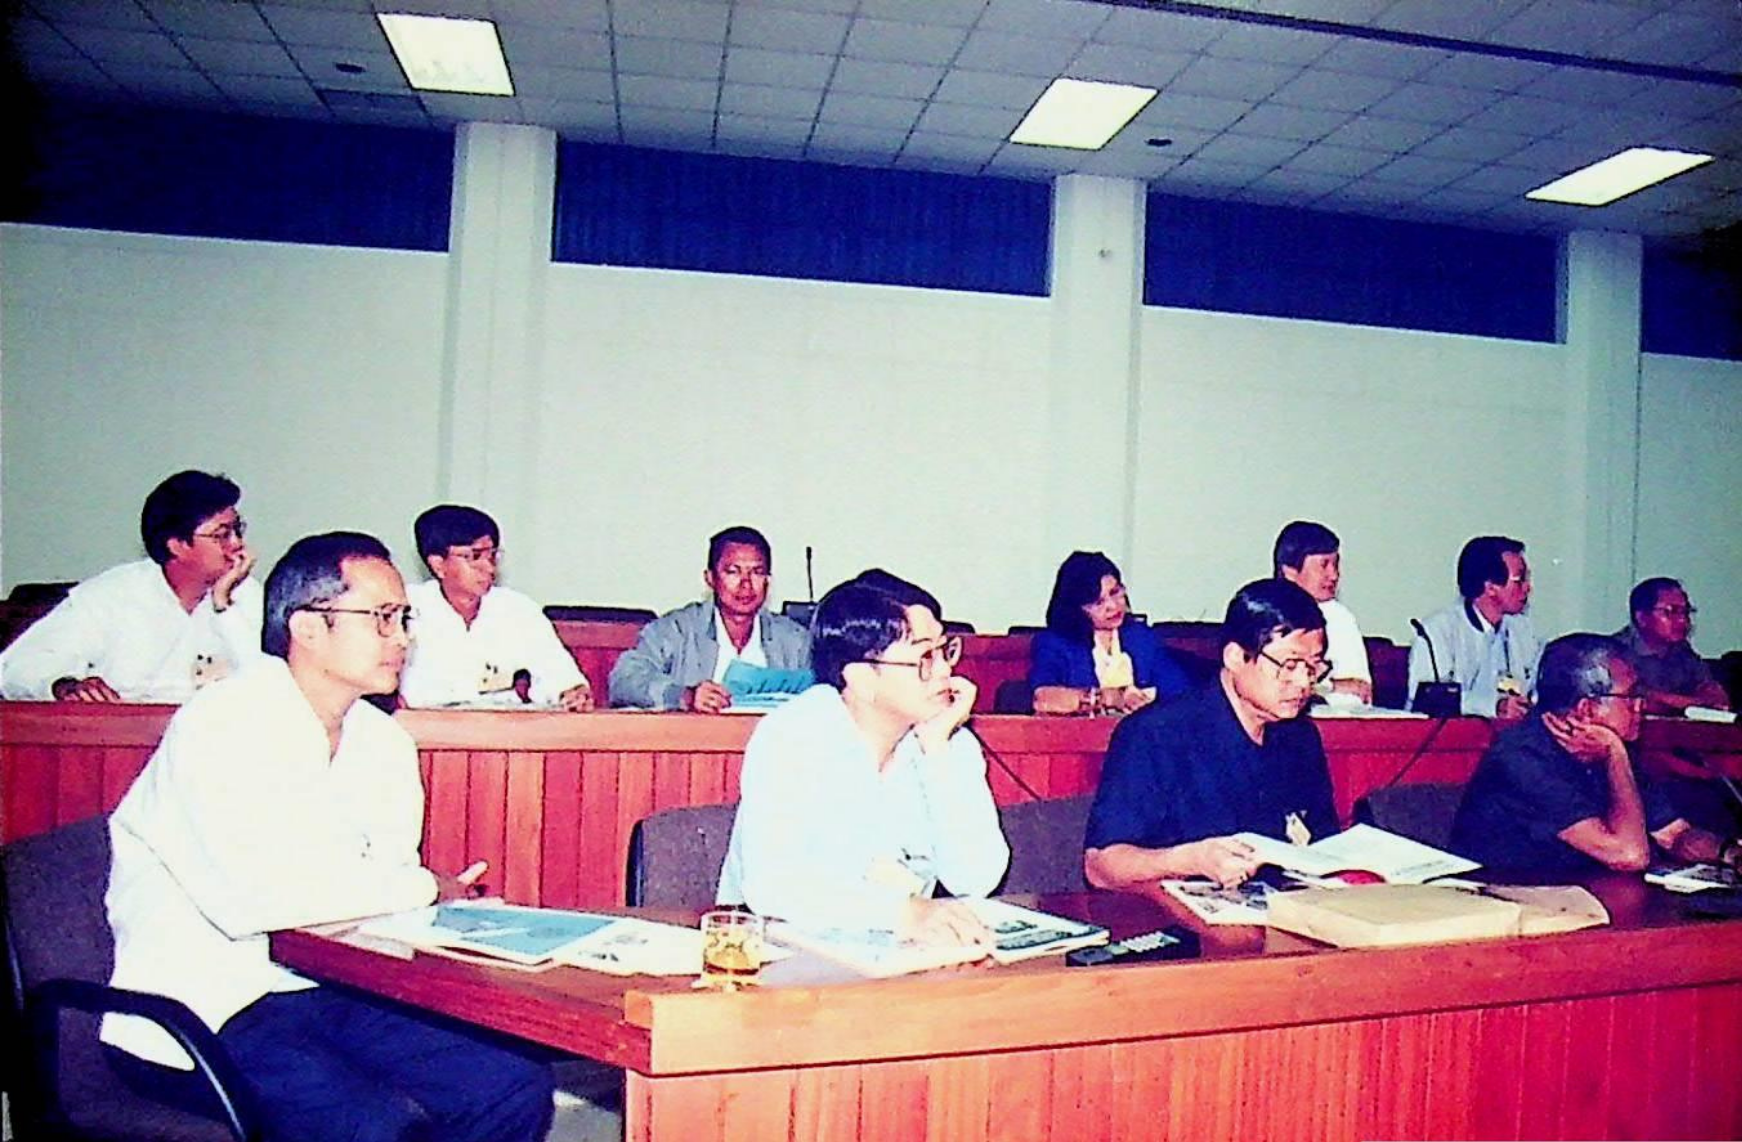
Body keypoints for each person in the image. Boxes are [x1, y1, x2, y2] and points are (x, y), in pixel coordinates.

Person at [101, 531, 554, 1142]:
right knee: (372, 1125)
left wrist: (457, 918)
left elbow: (380, 896)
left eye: (404, 619)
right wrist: (425, 888)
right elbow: (256, 903)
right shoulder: (221, 724)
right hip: (205, 1003)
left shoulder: (384, 742)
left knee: (511, 1085)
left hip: (329, 988)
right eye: (382, 618)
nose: (402, 638)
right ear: (308, 627)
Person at [716, 574, 1009, 946]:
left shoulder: (948, 740)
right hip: (776, 950)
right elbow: (772, 887)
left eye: (944, 650)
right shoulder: (793, 736)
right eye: (924, 657)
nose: (944, 671)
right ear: (862, 679)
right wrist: (901, 913)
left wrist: (938, 753)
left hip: (896, 952)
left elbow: (978, 879)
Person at [1083, 579, 1338, 891]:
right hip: (1173, 912)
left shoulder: (1300, 737)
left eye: (1313, 667)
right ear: (1235, 657)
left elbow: (1323, 847)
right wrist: (1189, 860)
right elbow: (1100, 866)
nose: (1303, 683)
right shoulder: (1156, 734)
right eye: (1289, 665)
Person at [1450, 633, 1741, 878]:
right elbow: (1629, 855)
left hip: (1580, 899)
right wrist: (1616, 756)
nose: (1641, 706)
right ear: (1586, 709)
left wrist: (1730, 853)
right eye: (1631, 697)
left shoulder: (1609, 746)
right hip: (1506, 905)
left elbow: (1674, 835)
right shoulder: (1522, 758)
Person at [0, 470, 261, 702]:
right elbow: (17, 669)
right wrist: (64, 686)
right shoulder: (111, 595)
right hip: (118, 735)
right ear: (177, 546)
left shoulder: (246, 594)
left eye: (237, 530)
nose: (237, 543)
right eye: (222, 535)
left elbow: (267, 680)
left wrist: (223, 606)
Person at [398, 504, 591, 710]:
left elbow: (558, 674)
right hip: (425, 723)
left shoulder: (517, 610)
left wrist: (572, 692)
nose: (489, 568)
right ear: (438, 564)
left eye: (492, 556)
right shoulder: (405, 609)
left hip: (502, 722)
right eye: (474, 557)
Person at [608, 526, 809, 712]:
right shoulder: (677, 629)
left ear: (767, 581)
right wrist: (684, 696)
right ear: (710, 578)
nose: (746, 584)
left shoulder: (795, 640)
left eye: (757, 572)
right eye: (733, 572)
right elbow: (624, 681)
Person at [1028, 551, 1191, 715]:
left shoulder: (1141, 637)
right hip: (1081, 730)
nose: (1112, 606)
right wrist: (1108, 697)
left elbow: (1181, 693)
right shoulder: (1054, 643)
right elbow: (1043, 699)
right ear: (1076, 609)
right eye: (1098, 603)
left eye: (1115, 593)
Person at [1407, 535, 1540, 718]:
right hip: (1450, 732)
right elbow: (1426, 699)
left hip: (1508, 732)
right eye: (1520, 580)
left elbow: (1533, 687)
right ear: (1490, 587)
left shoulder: (1522, 629)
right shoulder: (1438, 631)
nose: (1528, 588)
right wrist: (1493, 706)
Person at [1273, 521, 1372, 706]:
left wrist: (1322, 688)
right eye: (1324, 565)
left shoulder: (1340, 618)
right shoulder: (1265, 614)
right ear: (1290, 571)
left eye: (1336, 564)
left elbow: (1360, 692)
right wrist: (1331, 686)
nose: (1334, 575)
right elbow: (1270, 689)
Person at [1613, 578, 1729, 716]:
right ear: (1642, 617)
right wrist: (1696, 703)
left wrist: (1688, 702)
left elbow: (1717, 697)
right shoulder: (1615, 652)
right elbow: (1641, 701)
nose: (1682, 620)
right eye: (1671, 611)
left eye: (1685, 611)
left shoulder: (1682, 650)